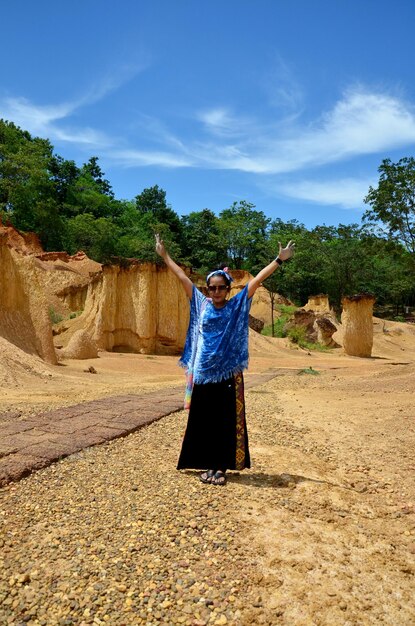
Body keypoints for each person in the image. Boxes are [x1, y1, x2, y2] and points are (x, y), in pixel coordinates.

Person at [155, 234, 295, 486]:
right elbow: (182, 277)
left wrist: (279, 260)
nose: (217, 291)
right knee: (204, 421)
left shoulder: (237, 305)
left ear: (228, 289)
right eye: (212, 287)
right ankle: (208, 464)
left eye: (221, 287)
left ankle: (221, 468)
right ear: (207, 289)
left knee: (225, 421)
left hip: (228, 373)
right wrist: (164, 256)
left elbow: (259, 279)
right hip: (203, 372)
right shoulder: (201, 304)